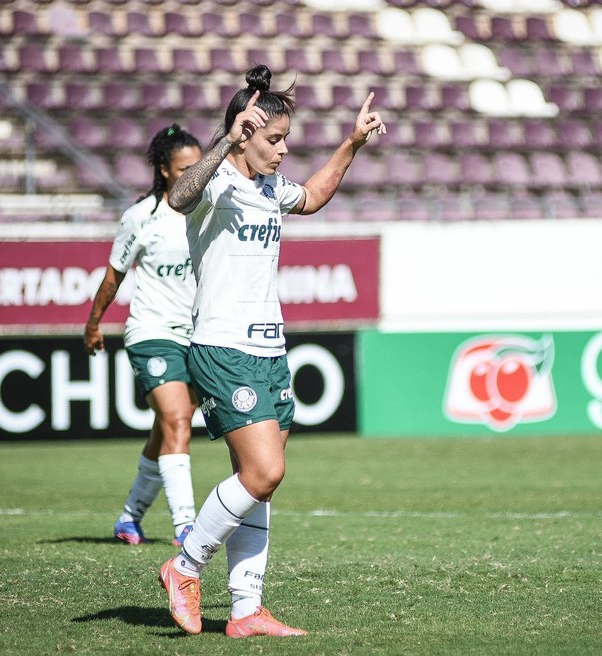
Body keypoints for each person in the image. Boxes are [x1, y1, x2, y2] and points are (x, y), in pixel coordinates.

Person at [157, 64, 385, 638]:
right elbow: (179, 198)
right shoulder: (213, 184)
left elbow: (310, 197)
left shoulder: (267, 186)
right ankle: (183, 568)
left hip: (270, 348)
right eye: (273, 139)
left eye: (286, 140)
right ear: (245, 131)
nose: (283, 151)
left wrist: (351, 145)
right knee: (264, 471)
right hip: (222, 345)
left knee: (257, 482)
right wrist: (223, 142)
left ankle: (244, 610)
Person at [84, 124, 203, 548]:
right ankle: (187, 528)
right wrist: (94, 323)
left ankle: (130, 517)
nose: (196, 173)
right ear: (165, 170)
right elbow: (114, 277)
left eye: (200, 164)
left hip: (199, 334)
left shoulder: (210, 208)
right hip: (152, 331)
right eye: (187, 167)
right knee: (177, 421)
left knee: (165, 430)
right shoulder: (141, 217)